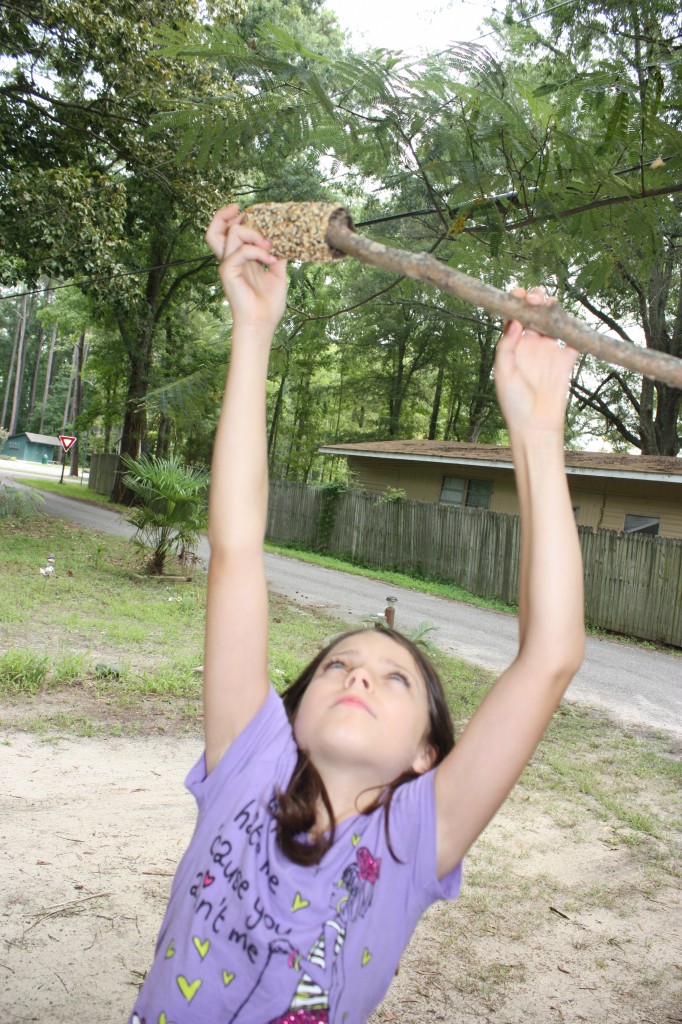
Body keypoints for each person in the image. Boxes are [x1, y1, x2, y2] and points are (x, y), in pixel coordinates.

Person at [128, 205, 585, 1024]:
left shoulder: (417, 839)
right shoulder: (249, 766)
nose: (358, 673)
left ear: (424, 754)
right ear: (292, 712)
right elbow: (236, 546)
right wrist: (253, 329)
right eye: (336, 665)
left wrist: (538, 428)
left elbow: (549, 654)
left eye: (393, 678)